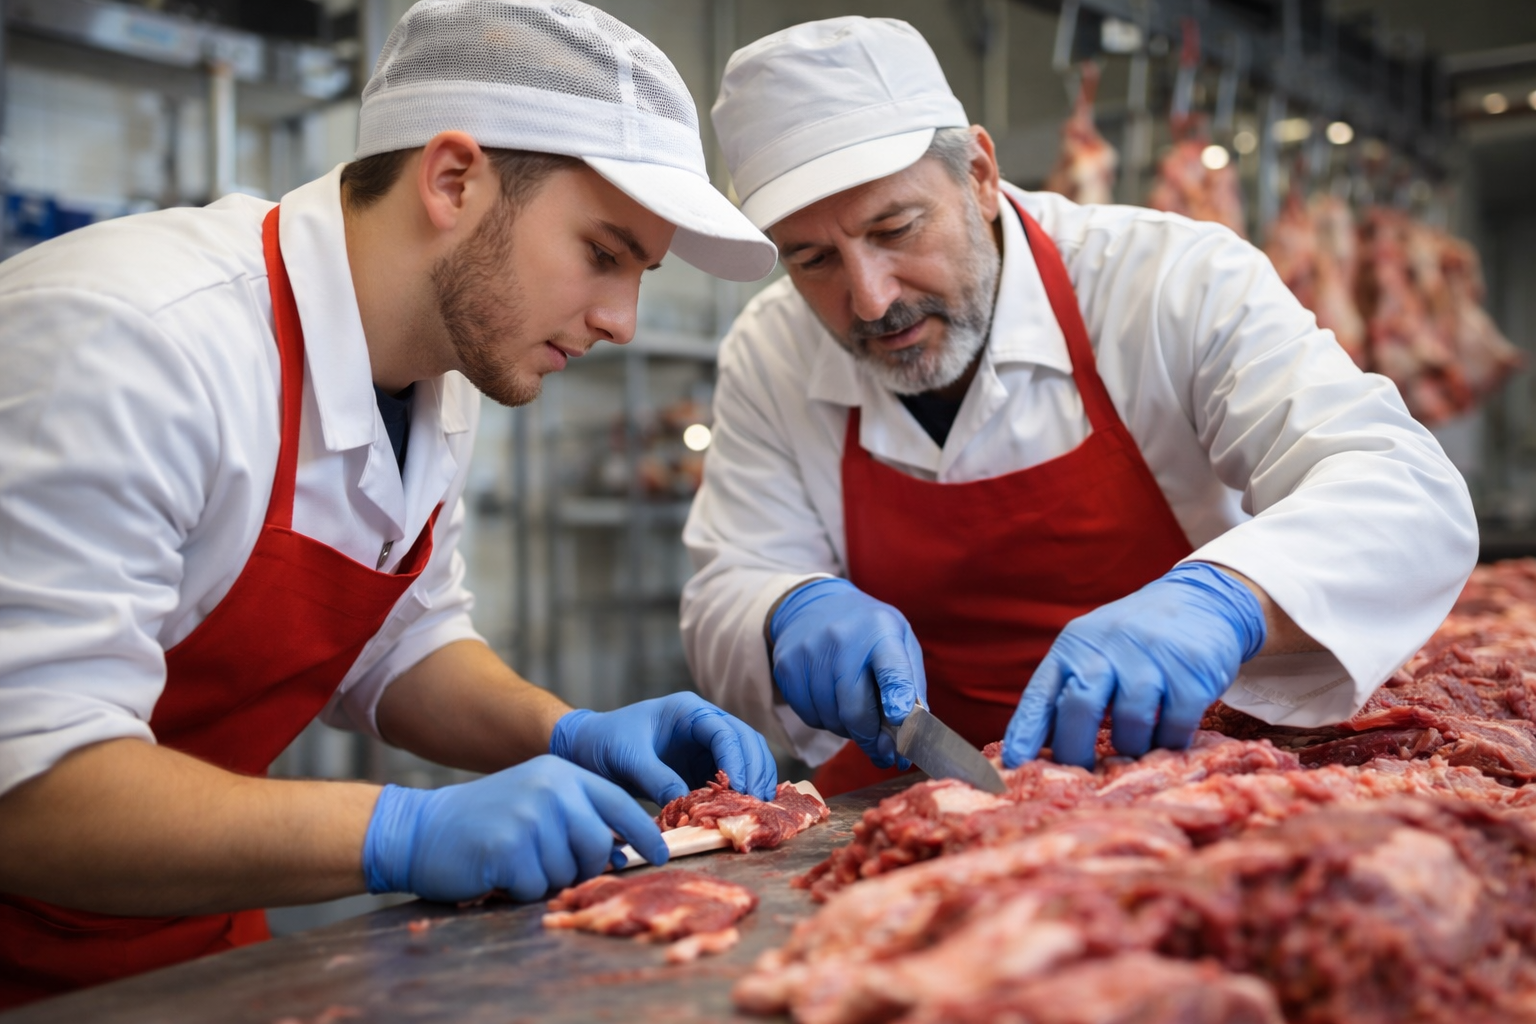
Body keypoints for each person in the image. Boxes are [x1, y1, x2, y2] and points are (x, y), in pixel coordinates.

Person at [0, 0, 779, 1007]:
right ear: (453, 178)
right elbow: (31, 791)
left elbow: (400, 645)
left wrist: (563, 732)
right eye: (602, 252)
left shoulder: (433, 376)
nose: (622, 322)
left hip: (189, 936)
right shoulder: (131, 342)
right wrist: (402, 831)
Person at [681, 16, 1477, 797]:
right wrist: (784, 609)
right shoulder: (770, 350)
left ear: (980, 177)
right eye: (812, 258)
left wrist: (1226, 598)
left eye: (896, 228)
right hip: (919, 796)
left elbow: (1401, 485)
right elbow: (727, 582)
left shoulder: (1172, 280)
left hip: (1190, 781)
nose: (869, 296)